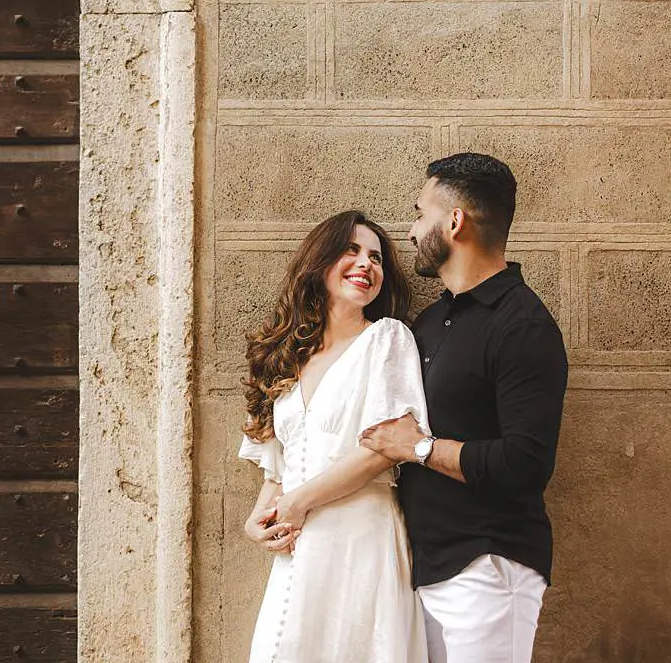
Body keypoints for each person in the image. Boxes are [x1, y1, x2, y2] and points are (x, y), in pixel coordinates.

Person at [361, 153, 569, 663]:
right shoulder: (431, 323)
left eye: (419, 212)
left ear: (454, 222)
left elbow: (525, 463)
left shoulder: (522, 325)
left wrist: (420, 449)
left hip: (487, 570)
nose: (410, 230)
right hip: (422, 570)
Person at [237, 209, 430, 663]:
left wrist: (299, 502)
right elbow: (278, 470)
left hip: (359, 538)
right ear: (319, 262)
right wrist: (256, 521)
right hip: (297, 548)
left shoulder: (387, 340)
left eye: (377, 258)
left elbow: (382, 452)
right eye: (351, 250)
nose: (366, 264)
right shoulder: (287, 357)